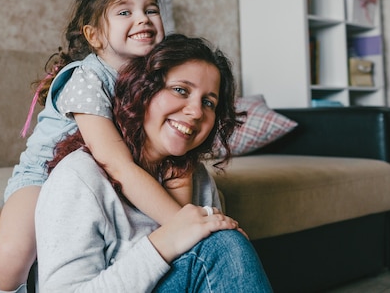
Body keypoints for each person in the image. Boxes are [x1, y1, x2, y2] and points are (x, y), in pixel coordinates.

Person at [0, 0, 196, 292]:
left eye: (151, 9)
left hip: (95, 183)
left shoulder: (152, 81)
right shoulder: (86, 78)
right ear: (95, 36)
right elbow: (115, 161)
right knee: (15, 252)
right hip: (44, 176)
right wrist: (182, 221)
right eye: (125, 12)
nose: (143, 19)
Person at [35, 34, 273, 292]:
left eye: (208, 102)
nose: (195, 111)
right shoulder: (79, 177)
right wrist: (165, 242)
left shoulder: (196, 177)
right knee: (224, 244)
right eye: (180, 90)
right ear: (143, 89)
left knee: (224, 243)